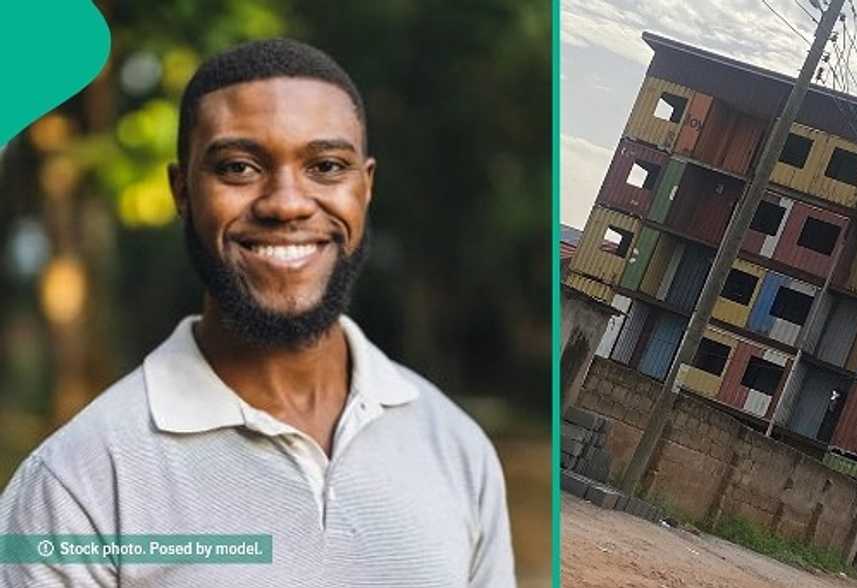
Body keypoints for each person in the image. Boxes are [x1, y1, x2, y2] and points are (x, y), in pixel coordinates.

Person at [0, 38, 515, 587]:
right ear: (182, 191)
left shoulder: (458, 450)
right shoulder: (74, 486)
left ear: (365, 187)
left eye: (325, 166)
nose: (287, 203)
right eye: (240, 167)